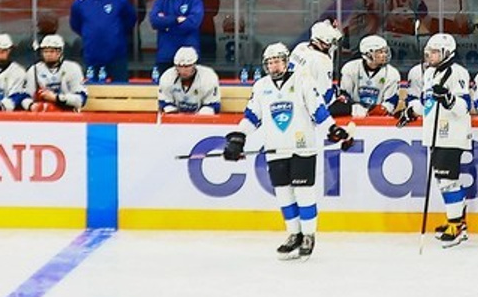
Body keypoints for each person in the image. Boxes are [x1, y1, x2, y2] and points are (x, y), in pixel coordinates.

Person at [224, 41, 349, 259]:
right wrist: (238, 138)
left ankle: (309, 235)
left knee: (304, 191)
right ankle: (294, 234)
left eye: (278, 61)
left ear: (286, 61)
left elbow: (317, 109)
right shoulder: (261, 86)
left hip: (303, 146)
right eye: (270, 63)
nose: (274, 66)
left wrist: (331, 128)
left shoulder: (302, 79)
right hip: (276, 147)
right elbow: (252, 116)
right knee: (283, 192)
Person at [396, 32, 474, 247]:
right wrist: (412, 111)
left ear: (447, 53)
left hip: (452, 134)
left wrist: (449, 99)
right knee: (445, 181)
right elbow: (429, 104)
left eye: (435, 52)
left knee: (448, 181)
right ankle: (459, 222)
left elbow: (464, 107)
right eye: (429, 51)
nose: (430, 55)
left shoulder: (457, 73)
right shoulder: (429, 73)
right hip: (434, 134)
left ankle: (455, 225)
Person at [69, 0, 138, 83]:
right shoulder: (80, 2)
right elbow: (75, 24)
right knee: (93, 95)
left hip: (117, 56)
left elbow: (130, 19)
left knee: (120, 93)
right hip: (92, 56)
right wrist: (90, 33)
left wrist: (116, 33)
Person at [149, 0, 205, 76]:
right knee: (165, 91)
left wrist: (166, 22)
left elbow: (192, 23)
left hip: (189, 58)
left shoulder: (194, 0)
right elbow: (154, 21)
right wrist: (176, 19)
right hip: (166, 56)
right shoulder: (162, 0)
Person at [340, 35, 401, 117]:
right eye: (380, 52)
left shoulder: (392, 73)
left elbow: (390, 104)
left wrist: (373, 111)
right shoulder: (350, 69)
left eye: (385, 51)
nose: (384, 55)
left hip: (379, 120)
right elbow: (344, 97)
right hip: (354, 116)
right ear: (368, 54)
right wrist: (353, 109)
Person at [27, 33, 88, 112]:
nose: (48, 54)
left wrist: (56, 98)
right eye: (45, 51)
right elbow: (26, 96)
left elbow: (81, 99)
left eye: (52, 51)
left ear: (60, 52)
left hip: (68, 113)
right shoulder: (34, 69)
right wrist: (31, 105)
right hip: (42, 112)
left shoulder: (72, 68)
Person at [158, 46, 221, 115]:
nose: (183, 71)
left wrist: (196, 119)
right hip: (176, 119)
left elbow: (213, 105)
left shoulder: (208, 77)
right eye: (179, 66)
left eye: (187, 66)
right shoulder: (167, 77)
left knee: (206, 112)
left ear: (194, 64)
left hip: (201, 118)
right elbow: (165, 102)